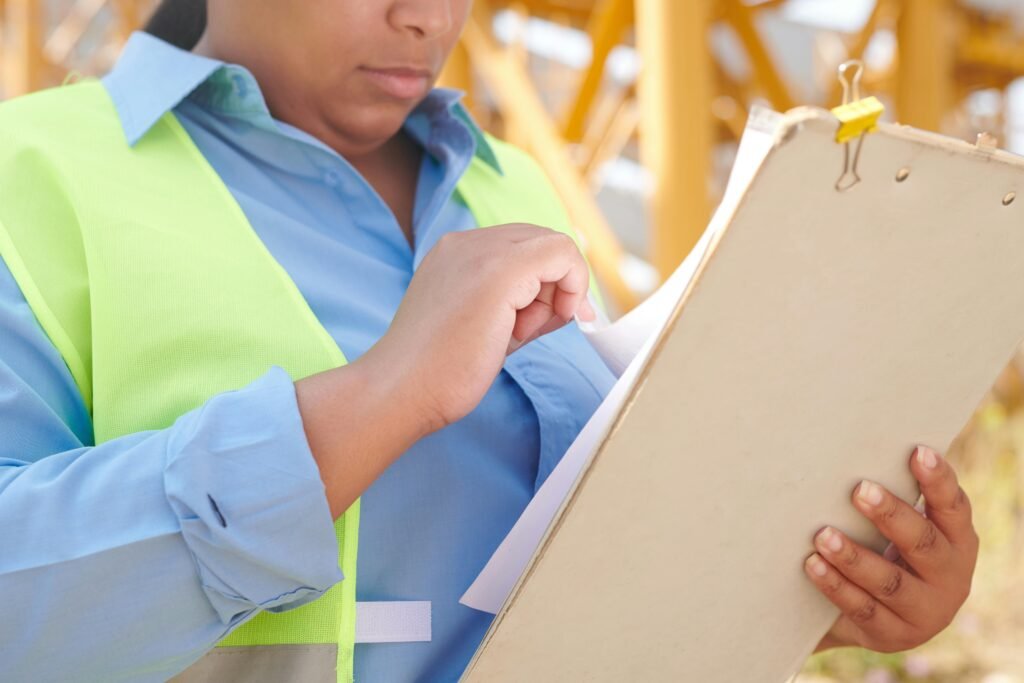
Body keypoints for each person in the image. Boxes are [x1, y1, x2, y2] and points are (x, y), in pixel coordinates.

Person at [0, 1, 978, 681]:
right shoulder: (30, 177)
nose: (429, 18)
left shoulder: (503, 185)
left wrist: (814, 588)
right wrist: (382, 394)